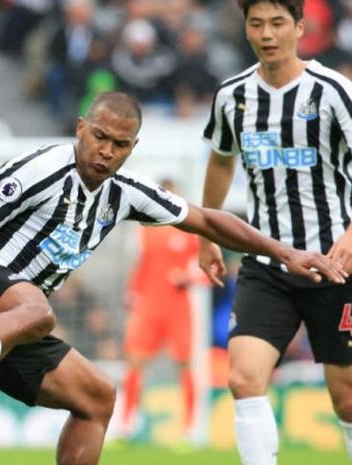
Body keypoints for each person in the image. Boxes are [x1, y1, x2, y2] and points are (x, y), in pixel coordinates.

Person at [0, 91, 347, 465]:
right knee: (37, 307)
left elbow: (206, 220)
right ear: (80, 128)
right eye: (100, 136)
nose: (107, 151)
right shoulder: (44, 168)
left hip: (12, 325)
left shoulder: (126, 193)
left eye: (120, 144)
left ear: (133, 147)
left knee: (98, 398)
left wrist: (285, 252)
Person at [198, 1, 352, 464]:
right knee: (244, 377)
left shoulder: (333, 92)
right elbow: (222, 161)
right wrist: (207, 233)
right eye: (257, 23)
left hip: (336, 264)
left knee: (346, 398)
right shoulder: (232, 96)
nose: (267, 33)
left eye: (278, 23)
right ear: (246, 28)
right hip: (267, 263)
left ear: (300, 27)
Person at [119, 179, 200, 440]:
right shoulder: (145, 230)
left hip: (179, 307)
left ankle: (189, 429)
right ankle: (127, 424)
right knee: (135, 362)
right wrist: (133, 294)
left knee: (185, 364)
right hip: (149, 306)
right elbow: (140, 266)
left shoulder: (190, 231)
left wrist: (189, 278)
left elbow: (205, 271)